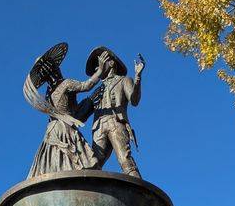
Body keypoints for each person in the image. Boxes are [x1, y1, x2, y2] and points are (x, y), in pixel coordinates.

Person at [24, 43, 103, 177]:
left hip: (52, 131)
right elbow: (86, 85)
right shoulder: (66, 83)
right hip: (64, 130)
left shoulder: (48, 94)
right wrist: (100, 71)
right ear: (56, 69)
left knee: (54, 166)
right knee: (72, 163)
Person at [84, 46, 145, 177]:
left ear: (111, 63)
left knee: (125, 160)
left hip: (116, 123)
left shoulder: (124, 80)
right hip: (99, 127)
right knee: (93, 165)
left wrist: (138, 77)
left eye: (100, 62)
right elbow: (83, 112)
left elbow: (134, 101)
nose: (97, 68)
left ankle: (138, 188)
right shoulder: (97, 90)